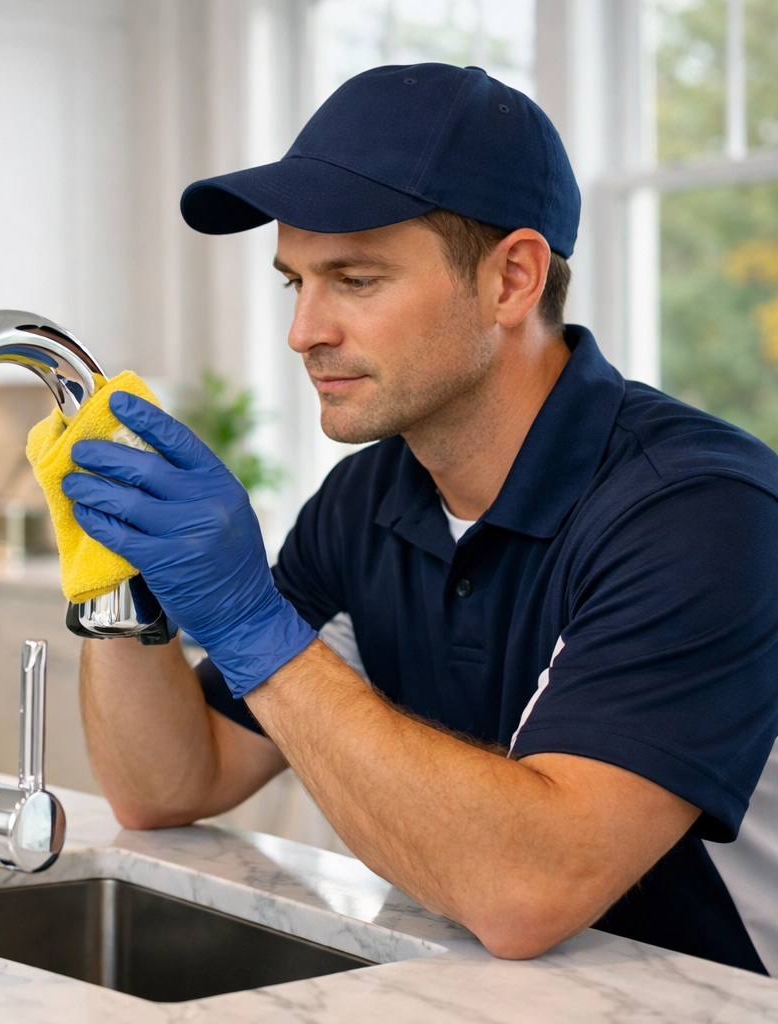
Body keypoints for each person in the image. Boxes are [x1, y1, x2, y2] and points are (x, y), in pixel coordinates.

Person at [67, 63, 778, 974]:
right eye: (295, 283)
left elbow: (528, 889)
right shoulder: (370, 500)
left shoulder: (700, 512)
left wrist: (250, 625)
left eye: (355, 280)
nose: (304, 331)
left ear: (512, 279)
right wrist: (115, 574)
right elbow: (173, 783)